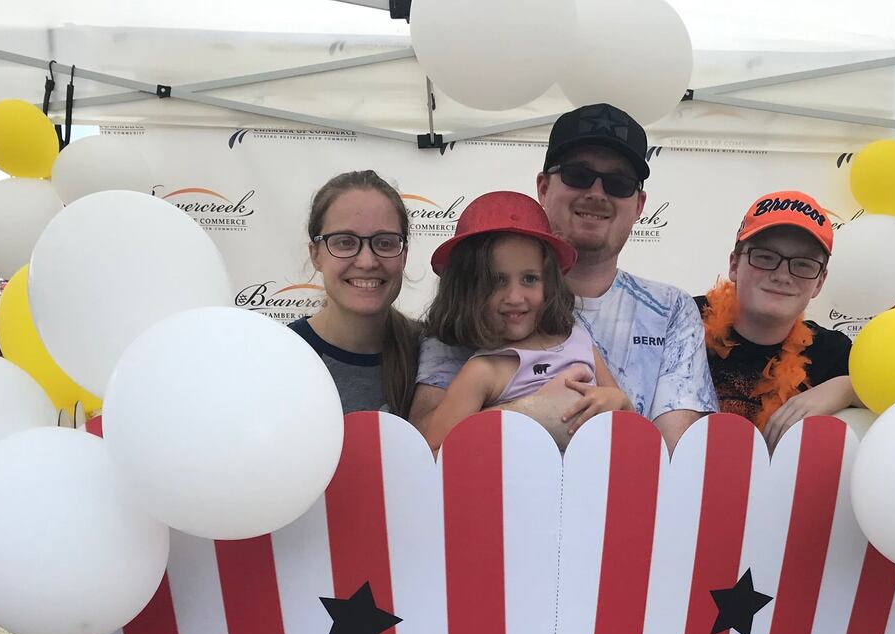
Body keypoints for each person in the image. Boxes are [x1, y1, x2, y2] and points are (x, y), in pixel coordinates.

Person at [410, 102, 716, 450]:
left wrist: (617, 406)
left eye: (618, 182)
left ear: (640, 204)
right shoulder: (469, 316)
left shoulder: (671, 310)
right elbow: (425, 447)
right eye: (577, 175)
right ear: (543, 187)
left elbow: (671, 452)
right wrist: (532, 412)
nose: (597, 193)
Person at [418, 192, 619, 451]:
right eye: (496, 281)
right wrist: (527, 413)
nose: (514, 297)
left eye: (529, 279)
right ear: (467, 290)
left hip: (591, 488)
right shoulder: (480, 373)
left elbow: (628, 418)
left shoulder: (580, 340)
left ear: (550, 283)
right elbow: (432, 455)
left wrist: (613, 401)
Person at [696, 190, 860, 447]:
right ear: (734, 265)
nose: (782, 275)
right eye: (765, 257)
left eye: (803, 264)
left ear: (819, 282)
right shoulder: (682, 322)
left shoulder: (833, 354)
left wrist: (847, 387)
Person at [292, 169, 421, 416]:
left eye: (385, 242)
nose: (367, 261)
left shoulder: (433, 354)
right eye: (345, 242)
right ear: (315, 254)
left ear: (404, 256)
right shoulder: (279, 356)